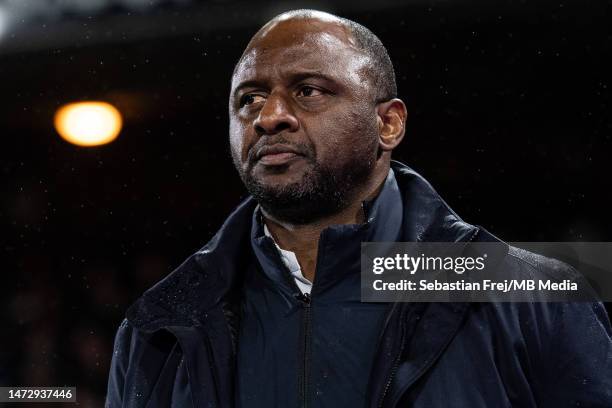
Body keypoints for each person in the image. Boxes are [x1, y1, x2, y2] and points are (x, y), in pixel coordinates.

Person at [105, 9, 612, 408]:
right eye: (250, 99)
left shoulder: (534, 296)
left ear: (388, 124)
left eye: (308, 91)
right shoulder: (158, 324)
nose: (270, 117)